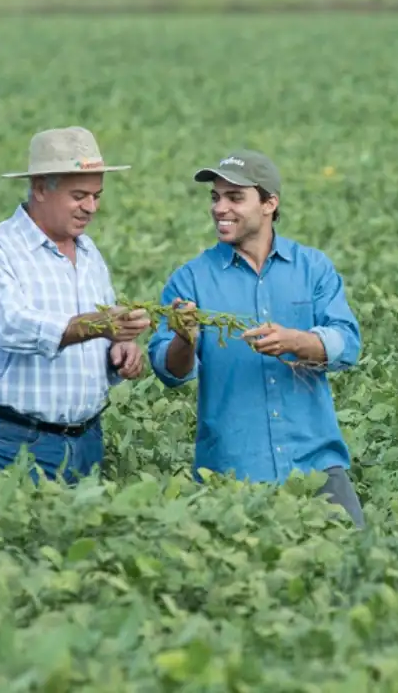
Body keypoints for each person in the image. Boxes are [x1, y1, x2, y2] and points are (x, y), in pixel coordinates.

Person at [146, 149, 367, 529]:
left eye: (235, 198)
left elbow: (347, 344)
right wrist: (185, 338)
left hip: (315, 464)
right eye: (215, 197)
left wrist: (296, 341)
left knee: (356, 567)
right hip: (233, 469)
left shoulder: (312, 268)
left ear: (269, 204)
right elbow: (171, 371)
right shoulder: (191, 280)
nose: (220, 208)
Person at [0, 125, 152, 485]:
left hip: (87, 438)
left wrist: (121, 347)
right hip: (17, 439)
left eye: (97, 195)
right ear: (39, 188)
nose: (91, 207)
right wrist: (99, 326)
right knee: (22, 537)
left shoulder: (88, 251)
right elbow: (12, 327)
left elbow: (101, 326)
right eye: (79, 195)